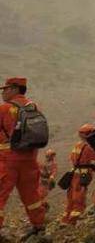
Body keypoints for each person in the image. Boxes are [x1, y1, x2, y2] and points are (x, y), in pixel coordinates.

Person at [0, 78, 46, 238]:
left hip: (8, 159)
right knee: (31, 194)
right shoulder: (33, 107)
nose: (3, 92)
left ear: (14, 89)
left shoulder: (5, 108)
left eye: (5, 89)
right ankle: (39, 226)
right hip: (30, 158)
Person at [62, 124, 95, 225]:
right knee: (79, 196)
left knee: (71, 196)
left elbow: (73, 158)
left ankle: (66, 218)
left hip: (74, 173)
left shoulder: (77, 145)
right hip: (83, 175)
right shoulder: (88, 147)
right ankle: (75, 218)